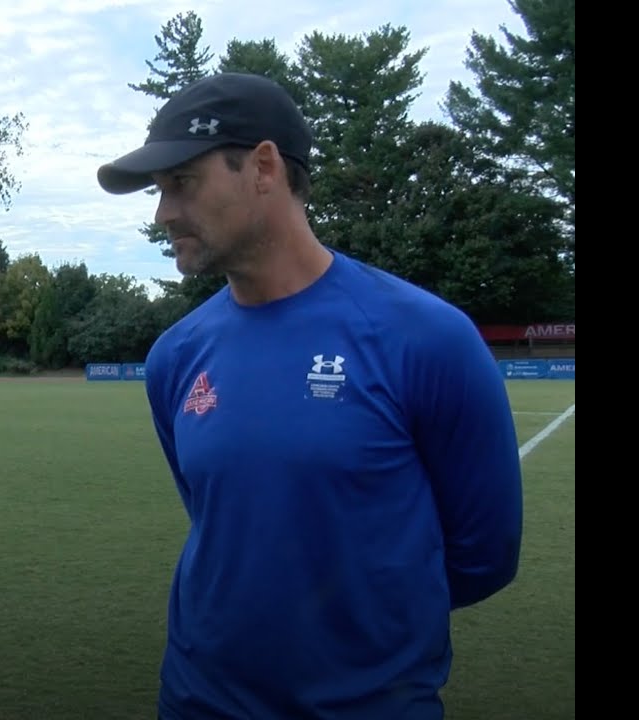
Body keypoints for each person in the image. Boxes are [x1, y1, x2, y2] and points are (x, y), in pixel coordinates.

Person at [96, 72, 524, 719]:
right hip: (196, 701)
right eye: (158, 192)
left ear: (264, 166)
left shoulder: (427, 339)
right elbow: (217, 514)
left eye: (182, 183)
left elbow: (483, 557)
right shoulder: (176, 358)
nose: (163, 215)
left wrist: (363, 637)